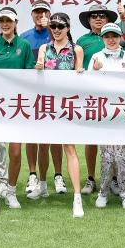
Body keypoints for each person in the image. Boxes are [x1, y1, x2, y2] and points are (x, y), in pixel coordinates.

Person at [0, 7, 35, 216]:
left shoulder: (24, 45)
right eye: (2, 20)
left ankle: (11, 192)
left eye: (8, 21)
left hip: (17, 105)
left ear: (15, 23)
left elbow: (29, 74)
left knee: (15, 152)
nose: (5, 24)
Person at [33, 12, 85, 218]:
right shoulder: (44, 49)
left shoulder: (76, 49)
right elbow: (39, 69)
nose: (56, 29)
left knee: (69, 147)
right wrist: (38, 67)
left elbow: (79, 72)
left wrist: (80, 71)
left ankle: (77, 197)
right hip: (46, 103)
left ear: (68, 28)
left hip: (67, 104)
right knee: (43, 145)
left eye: (60, 26)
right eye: (53, 26)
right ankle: (43, 185)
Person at [77, 4, 125, 195]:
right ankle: (91, 178)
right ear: (89, 20)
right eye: (94, 16)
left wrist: (123, 18)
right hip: (93, 97)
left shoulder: (120, 42)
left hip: (119, 101)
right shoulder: (82, 40)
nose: (98, 18)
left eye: (102, 15)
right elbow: (79, 66)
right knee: (93, 141)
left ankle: (115, 180)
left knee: (116, 143)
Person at [88, 22, 125, 210]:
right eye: (107, 36)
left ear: (120, 38)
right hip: (104, 113)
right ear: (102, 38)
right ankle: (103, 192)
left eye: (114, 36)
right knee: (107, 156)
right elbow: (89, 85)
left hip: (123, 112)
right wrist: (95, 71)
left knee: (122, 156)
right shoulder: (96, 57)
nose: (111, 40)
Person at [19, 0, 58, 196]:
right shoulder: (24, 37)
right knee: (30, 135)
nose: (40, 15)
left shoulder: (57, 32)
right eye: (37, 12)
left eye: (44, 12)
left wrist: (50, 28)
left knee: (53, 137)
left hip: (54, 93)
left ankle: (57, 176)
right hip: (31, 93)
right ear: (32, 14)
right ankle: (32, 174)